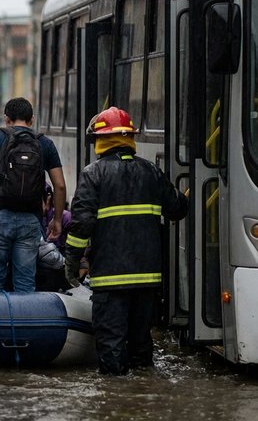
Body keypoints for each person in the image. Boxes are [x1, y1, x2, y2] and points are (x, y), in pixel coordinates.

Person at [64, 107, 188, 375]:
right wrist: (185, 195)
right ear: (130, 138)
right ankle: (142, 397)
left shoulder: (92, 174)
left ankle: (116, 401)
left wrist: (72, 262)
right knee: (141, 344)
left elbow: (81, 226)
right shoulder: (151, 172)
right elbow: (178, 208)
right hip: (147, 278)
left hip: (111, 278)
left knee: (111, 345)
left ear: (100, 140)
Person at [0, 97, 66, 293]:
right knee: (25, 281)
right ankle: (23, 321)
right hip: (30, 220)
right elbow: (59, 185)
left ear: (6, 119)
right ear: (32, 120)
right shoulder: (45, 144)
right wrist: (57, 219)